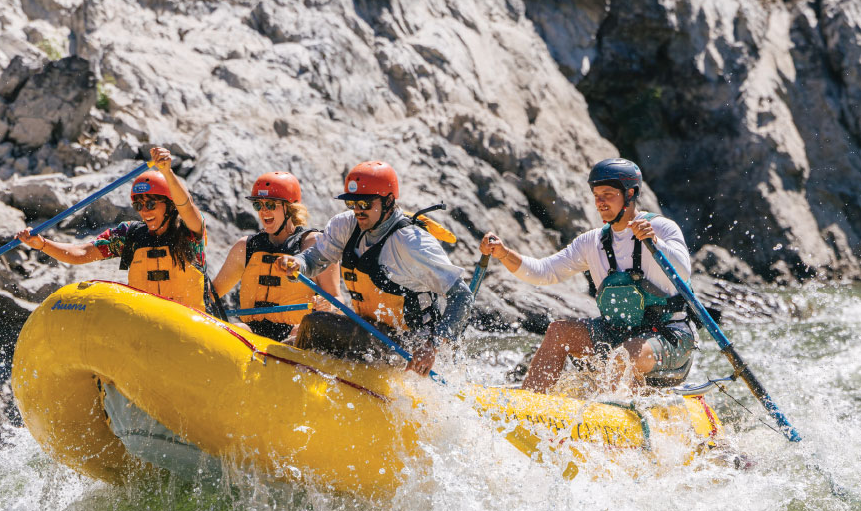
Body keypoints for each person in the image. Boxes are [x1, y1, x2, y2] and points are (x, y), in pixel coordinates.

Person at [479, 158, 697, 394]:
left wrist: (654, 242)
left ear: (630, 193)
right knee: (559, 332)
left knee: (623, 357)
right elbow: (544, 272)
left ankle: (618, 412)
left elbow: (683, 271)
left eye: (608, 194)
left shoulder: (662, 228)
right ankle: (530, 405)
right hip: (617, 333)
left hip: (670, 337)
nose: (600, 202)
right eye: (596, 195)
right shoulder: (592, 242)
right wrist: (503, 253)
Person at [277, 161, 474, 376]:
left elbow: (462, 296)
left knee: (315, 324)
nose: (358, 211)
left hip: (409, 346)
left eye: (365, 204)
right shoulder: (345, 225)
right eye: (352, 204)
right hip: (370, 331)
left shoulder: (411, 243)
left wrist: (432, 346)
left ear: (388, 201)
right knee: (314, 325)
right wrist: (299, 263)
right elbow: (316, 259)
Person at [16, 146, 215, 311]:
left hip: (192, 325)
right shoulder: (129, 235)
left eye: (151, 204)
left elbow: (186, 206)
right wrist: (42, 244)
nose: (145, 211)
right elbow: (82, 253)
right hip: (147, 324)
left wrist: (167, 172)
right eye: (139, 206)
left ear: (170, 205)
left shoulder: (190, 231)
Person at [212, 171, 343, 341]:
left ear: (290, 208)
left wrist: (329, 305)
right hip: (252, 332)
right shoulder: (245, 247)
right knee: (236, 329)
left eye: (271, 205)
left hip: (296, 333)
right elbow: (212, 295)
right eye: (259, 205)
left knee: (299, 332)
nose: (264, 211)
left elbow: (337, 300)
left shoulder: (315, 244)